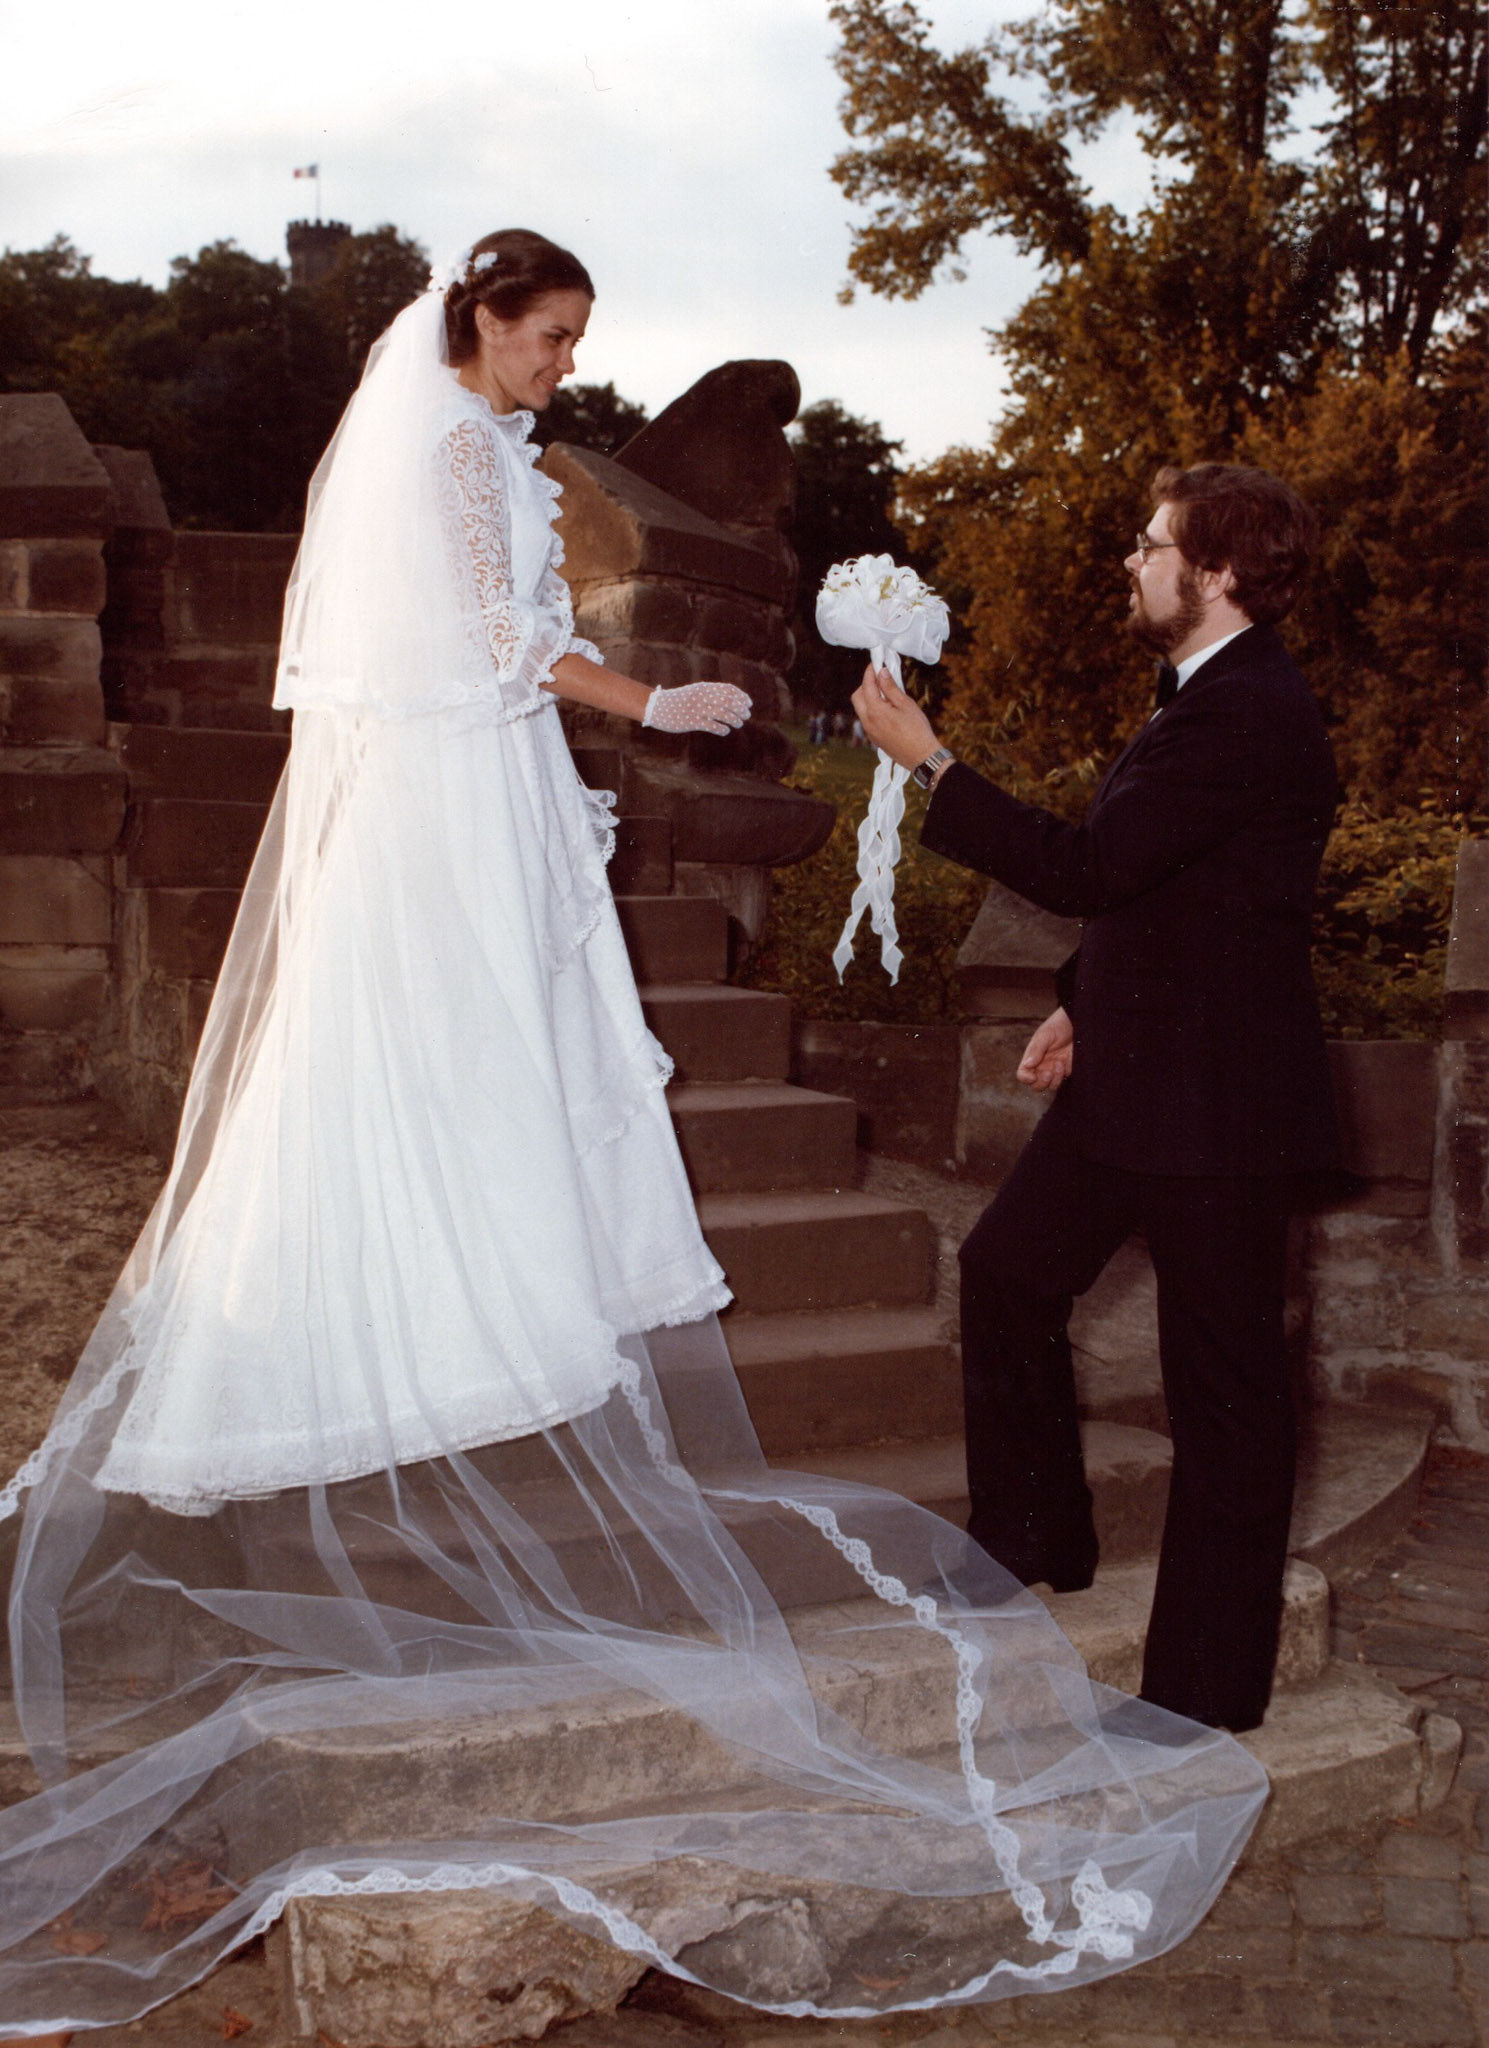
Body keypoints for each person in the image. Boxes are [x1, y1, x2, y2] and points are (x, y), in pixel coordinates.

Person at [0, 262, 1271, 2037]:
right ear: (475, 327)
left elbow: (1125, 869)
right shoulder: (448, 449)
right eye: (549, 337)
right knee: (480, 1073)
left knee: (567, 1096)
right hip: (461, 782)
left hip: (533, 796)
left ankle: (1141, 1623)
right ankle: (469, 1323)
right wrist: (644, 702)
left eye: (575, 341)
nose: (566, 366)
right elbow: (487, 637)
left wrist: (913, 789)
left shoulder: (1244, 712)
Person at [853, 463, 1339, 1736]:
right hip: (1142, 1074)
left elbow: (1091, 864)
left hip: (1219, 1112)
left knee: (1225, 1392)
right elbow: (1175, 892)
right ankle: (1031, 1534)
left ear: (1215, 572)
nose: (1132, 559)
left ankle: (1201, 1692)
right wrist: (1083, 1001)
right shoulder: (1207, 691)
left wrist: (934, 764)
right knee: (1008, 1271)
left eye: (1151, 543)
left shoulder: (1249, 708)